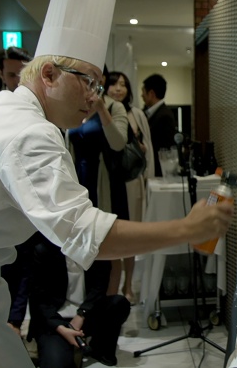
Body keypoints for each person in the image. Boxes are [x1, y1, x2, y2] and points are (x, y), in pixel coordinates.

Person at [0, 0, 233, 368]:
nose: (94, 97)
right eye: (88, 82)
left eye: (99, 85)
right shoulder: (29, 131)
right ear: (48, 74)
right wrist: (188, 228)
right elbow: (87, 235)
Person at [67, 67, 131, 301]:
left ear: (102, 78)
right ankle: (88, 300)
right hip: (79, 177)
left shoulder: (114, 107)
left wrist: (102, 109)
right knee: (84, 240)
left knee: (107, 239)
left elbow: (118, 143)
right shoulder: (73, 105)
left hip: (105, 181)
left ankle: (109, 301)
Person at [28, 234, 129, 367]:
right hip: (55, 321)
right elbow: (39, 300)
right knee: (56, 364)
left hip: (86, 314)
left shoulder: (94, 249)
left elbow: (99, 287)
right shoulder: (43, 251)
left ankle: (99, 349)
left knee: (119, 303)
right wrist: (61, 328)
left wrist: (82, 314)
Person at [104, 71, 154, 303]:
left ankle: (129, 285)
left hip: (132, 179)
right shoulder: (103, 111)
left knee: (131, 232)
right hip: (109, 179)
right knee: (111, 232)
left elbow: (147, 146)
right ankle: (114, 283)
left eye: (123, 85)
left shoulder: (136, 114)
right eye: (114, 84)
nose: (118, 89)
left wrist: (149, 175)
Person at [142, 73, 177, 177]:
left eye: (143, 91)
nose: (141, 95)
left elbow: (164, 148)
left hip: (159, 172)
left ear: (151, 93)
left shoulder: (164, 116)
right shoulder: (152, 113)